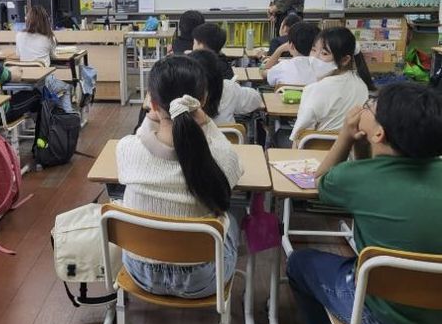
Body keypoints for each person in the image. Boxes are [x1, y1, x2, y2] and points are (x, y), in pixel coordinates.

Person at [287, 83, 442, 324]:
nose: (363, 107)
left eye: (370, 105)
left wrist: (345, 137)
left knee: (299, 263)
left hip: (383, 322)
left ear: (379, 133)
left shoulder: (354, 179)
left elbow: (321, 179)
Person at [117, 55, 243, 298]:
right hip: (201, 280)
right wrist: (207, 123)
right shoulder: (222, 156)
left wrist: (150, 116)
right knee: (233, 221)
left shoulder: (126, 149)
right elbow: (231, 162)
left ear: (152, 103)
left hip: (140, 273)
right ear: (203, 99)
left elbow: (142, 138)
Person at [289, 27, 374, 143]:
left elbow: (299, 137)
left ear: (344, 60)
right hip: (351, 152)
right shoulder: (362, 85)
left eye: (324, 53)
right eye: (313, 50)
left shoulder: (314, 90)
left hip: (315, 152)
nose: (314, 58)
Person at [15, 5, 75, 112]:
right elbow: (53, 56)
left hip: (24, 80)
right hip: (43, 82)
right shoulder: (49, 37)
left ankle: (45, 113)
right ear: (46, 20)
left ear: (28, 19)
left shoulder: (19, 35)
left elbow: (18, 55)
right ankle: (68, 115)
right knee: (67, 88)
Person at [190, 50, 262, 125]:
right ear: (219, 74)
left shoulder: (183, 101)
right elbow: (256, 99)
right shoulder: (228, 88)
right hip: (227, 132)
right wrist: (235, 87)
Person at [263, 21, 321, 87]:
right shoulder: (323, 68)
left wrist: (279, 50)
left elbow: (264, 73)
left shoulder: (283, 67)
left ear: (291, 46)